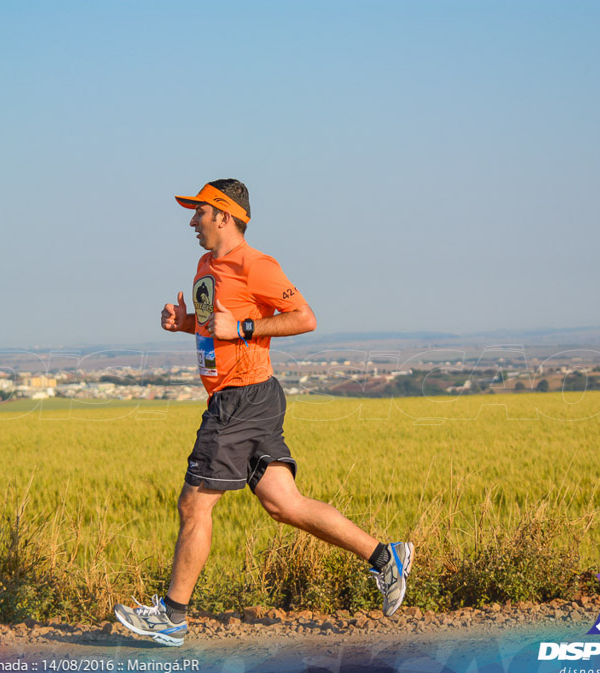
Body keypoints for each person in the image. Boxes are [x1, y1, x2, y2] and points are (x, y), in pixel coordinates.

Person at [113, 179, 413, 646]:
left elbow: (305, 317)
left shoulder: (257, 265)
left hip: (242, 399)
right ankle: (383, 556)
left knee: (194, 504)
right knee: (283, 503)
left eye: (200, 213)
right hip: (242, 397)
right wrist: (186, 323)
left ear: (225, 216)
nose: (192, 221)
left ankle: (172, 616)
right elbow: (217, 327)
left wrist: (246, 325)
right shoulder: (204, 266)